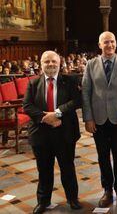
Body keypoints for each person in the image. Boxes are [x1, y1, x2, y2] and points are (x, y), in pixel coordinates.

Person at [23, 51, 82, 214]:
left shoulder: (69, 81)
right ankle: (43, 201)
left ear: (59, 63)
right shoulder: (33, 83)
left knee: (68, 168)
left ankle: (72, 199)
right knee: (44, 169)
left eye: (53, 61)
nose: (50, 64)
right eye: (47, 61)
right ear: (41, 64)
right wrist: (46, 118)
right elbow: (27, 106)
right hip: (41, 134)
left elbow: (77, 101)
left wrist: (57, 113)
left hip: (64, 132)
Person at [82, 31, 117, 208]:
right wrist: (88, 118)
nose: (109, 45)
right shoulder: (90, 65)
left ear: (116, 43)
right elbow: (86, 93)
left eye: (112, 42)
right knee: (103, 156)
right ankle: (107, 190)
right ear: (100, 45)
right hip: (98, 118)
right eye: (106, 42)